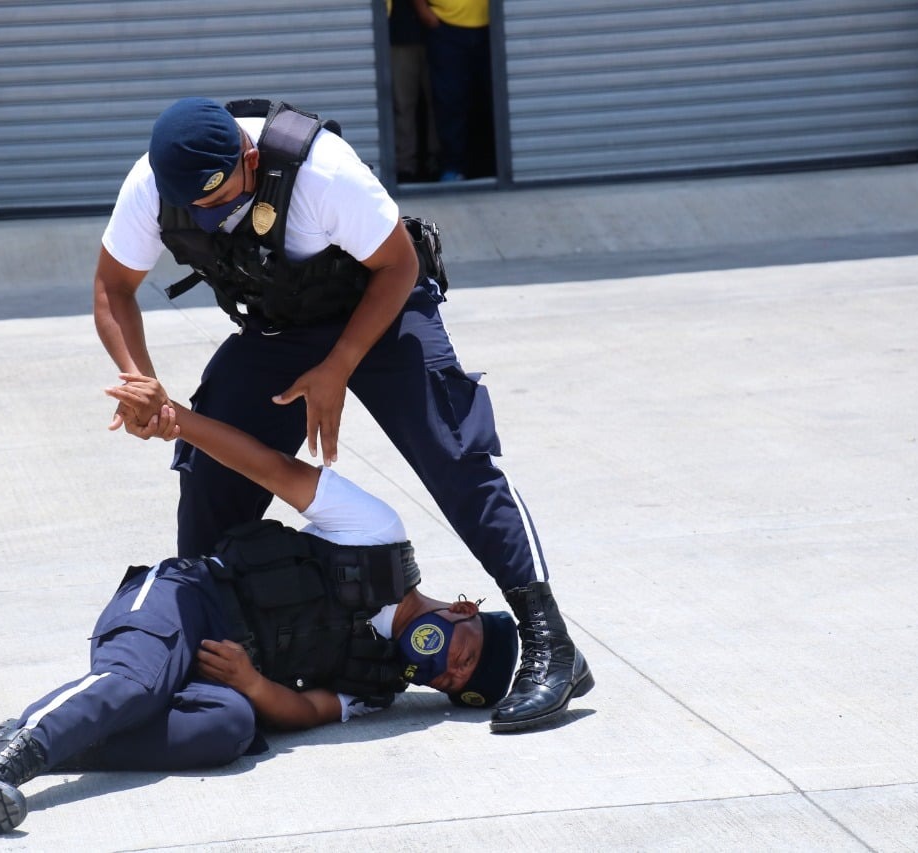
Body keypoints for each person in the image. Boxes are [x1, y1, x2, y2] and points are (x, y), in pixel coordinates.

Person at [92, 96, 592, 733]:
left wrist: (339, 367)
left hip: (380, 309)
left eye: (221, 200)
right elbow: (113, 287)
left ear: (249, 159)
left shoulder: (323, 173)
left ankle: (550, 641)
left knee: (453, 453)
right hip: (279, 329)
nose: (211, 217)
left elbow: (398, 263)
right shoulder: (152, 185)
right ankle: (203, 638)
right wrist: (142, 384)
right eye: (198, 209)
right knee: (211, 471)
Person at [0, 375, 520, 835]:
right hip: (184, 600)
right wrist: (178, 420)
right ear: (465, 609)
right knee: (137, 686)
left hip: (225, 676)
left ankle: (17, 736)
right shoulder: (378, 537)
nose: (448, 670)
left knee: (230, 729)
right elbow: (269, 466)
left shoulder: (379, 681)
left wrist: (253, 684)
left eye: (452, 684)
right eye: (466, 655)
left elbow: (305, 709)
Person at [412, 0, 495, 181]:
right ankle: (453, 167)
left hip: (492, 23)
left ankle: (491, 166)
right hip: (445, 27)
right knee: (450, 100)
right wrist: (424, 11)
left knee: (491, 98)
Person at [387, 0, 440, 183]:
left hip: (441, 34)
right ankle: (405, 165)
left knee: (440, 102)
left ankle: (437, 162)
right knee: (403, 104)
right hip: (401, 36)